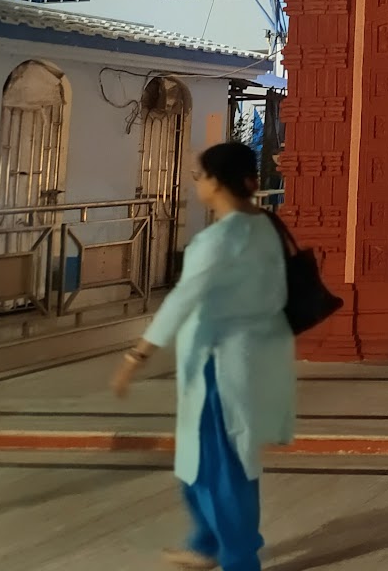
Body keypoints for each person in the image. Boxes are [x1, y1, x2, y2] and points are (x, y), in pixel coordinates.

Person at [112, 142, 295, 571]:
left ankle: (238, 559)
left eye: (200, 175)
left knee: (218, 468)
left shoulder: (220, 238)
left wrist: (135, 357)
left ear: (215, 181)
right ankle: (207, 543)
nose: (199, 183)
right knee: (211, 463)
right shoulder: (266, 226)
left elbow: (180, 301)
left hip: (220, 364)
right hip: (250, 357)